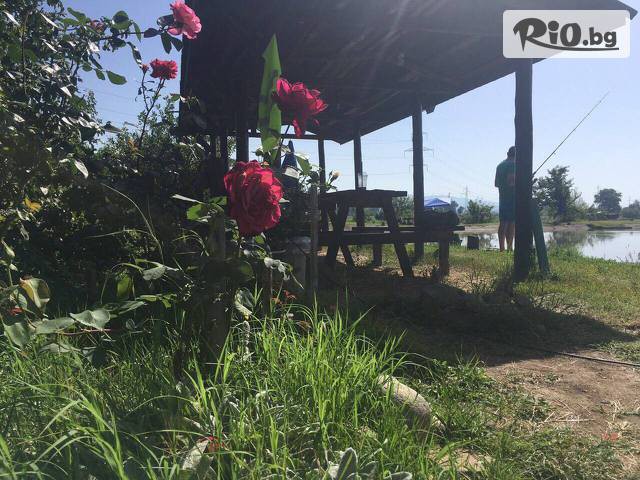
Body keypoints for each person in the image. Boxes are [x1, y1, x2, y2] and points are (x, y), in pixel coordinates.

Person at [495, 146, 516, 252]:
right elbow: (511, 182)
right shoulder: (513, 165)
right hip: (512, 197)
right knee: (511, 223)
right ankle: (510, 248)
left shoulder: (500, 165)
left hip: (502, 197)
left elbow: (496, 184)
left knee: (503, 222)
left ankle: (502, 248)